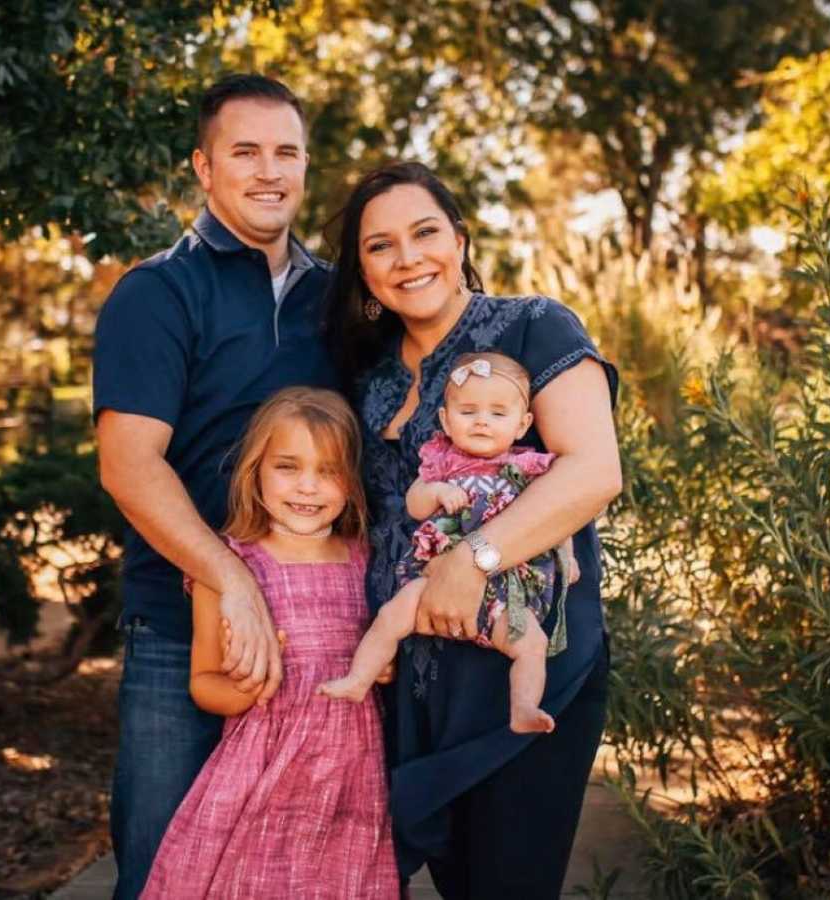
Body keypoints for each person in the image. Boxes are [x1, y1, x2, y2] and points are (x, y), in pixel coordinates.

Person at [323, 161, 621, 899]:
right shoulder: (367, 375)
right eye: (380, 246)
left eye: (425, 232)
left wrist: (473, 559)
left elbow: (592, 472)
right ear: (362, 272)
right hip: (417, 686)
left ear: (458, 240)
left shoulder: (532, 325)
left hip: (521, 659)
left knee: (508, 882)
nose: (408, 257)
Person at [93, 74, 336, 898]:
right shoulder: (158, 293)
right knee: (166, 871)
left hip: (319, 633)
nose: (269, 171)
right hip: (179, 630)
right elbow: (129, 464)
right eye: (245, 151)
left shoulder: (340, 299)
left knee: (303, 870)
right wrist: (229, 578)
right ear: (204, 167)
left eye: (287, 152)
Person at [140, 387, 398, 899]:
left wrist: (381, 667)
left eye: (329, 470)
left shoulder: (368, 561)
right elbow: (204, 683)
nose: (308, 486)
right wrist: (252, 688)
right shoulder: (229, 567)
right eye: (287, 466)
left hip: (352, 777)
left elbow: (384, 649)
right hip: (260, 775)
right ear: (255, 470)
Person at [319, 350, 580, 735]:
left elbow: (558, 516)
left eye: (497, 413)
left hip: (505, 588)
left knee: (531, 645)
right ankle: (359, 679)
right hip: (436, 577)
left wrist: (566, 556)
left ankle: (523, 706)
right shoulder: (442, 463)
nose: (481, 422)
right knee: (391, 617)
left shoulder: (528, 468)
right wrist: (437, 492)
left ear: (523, 424)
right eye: (468, 411)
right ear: (445, 419)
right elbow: (414, 502)